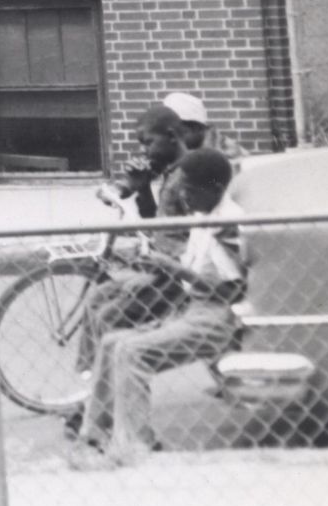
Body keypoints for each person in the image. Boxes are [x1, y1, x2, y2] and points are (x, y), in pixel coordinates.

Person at [70, 148, 246, 462]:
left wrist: (173, 268)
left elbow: (228, 290)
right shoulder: (204, 216)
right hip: (193, 308)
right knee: (111, 342)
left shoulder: (227, 225)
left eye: (189, 190)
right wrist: (159, 261)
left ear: (215, 190)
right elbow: (193, 266)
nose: (183, 196)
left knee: (132, 351)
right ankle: (93, 437)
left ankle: (137, 445)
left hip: (215, 317)